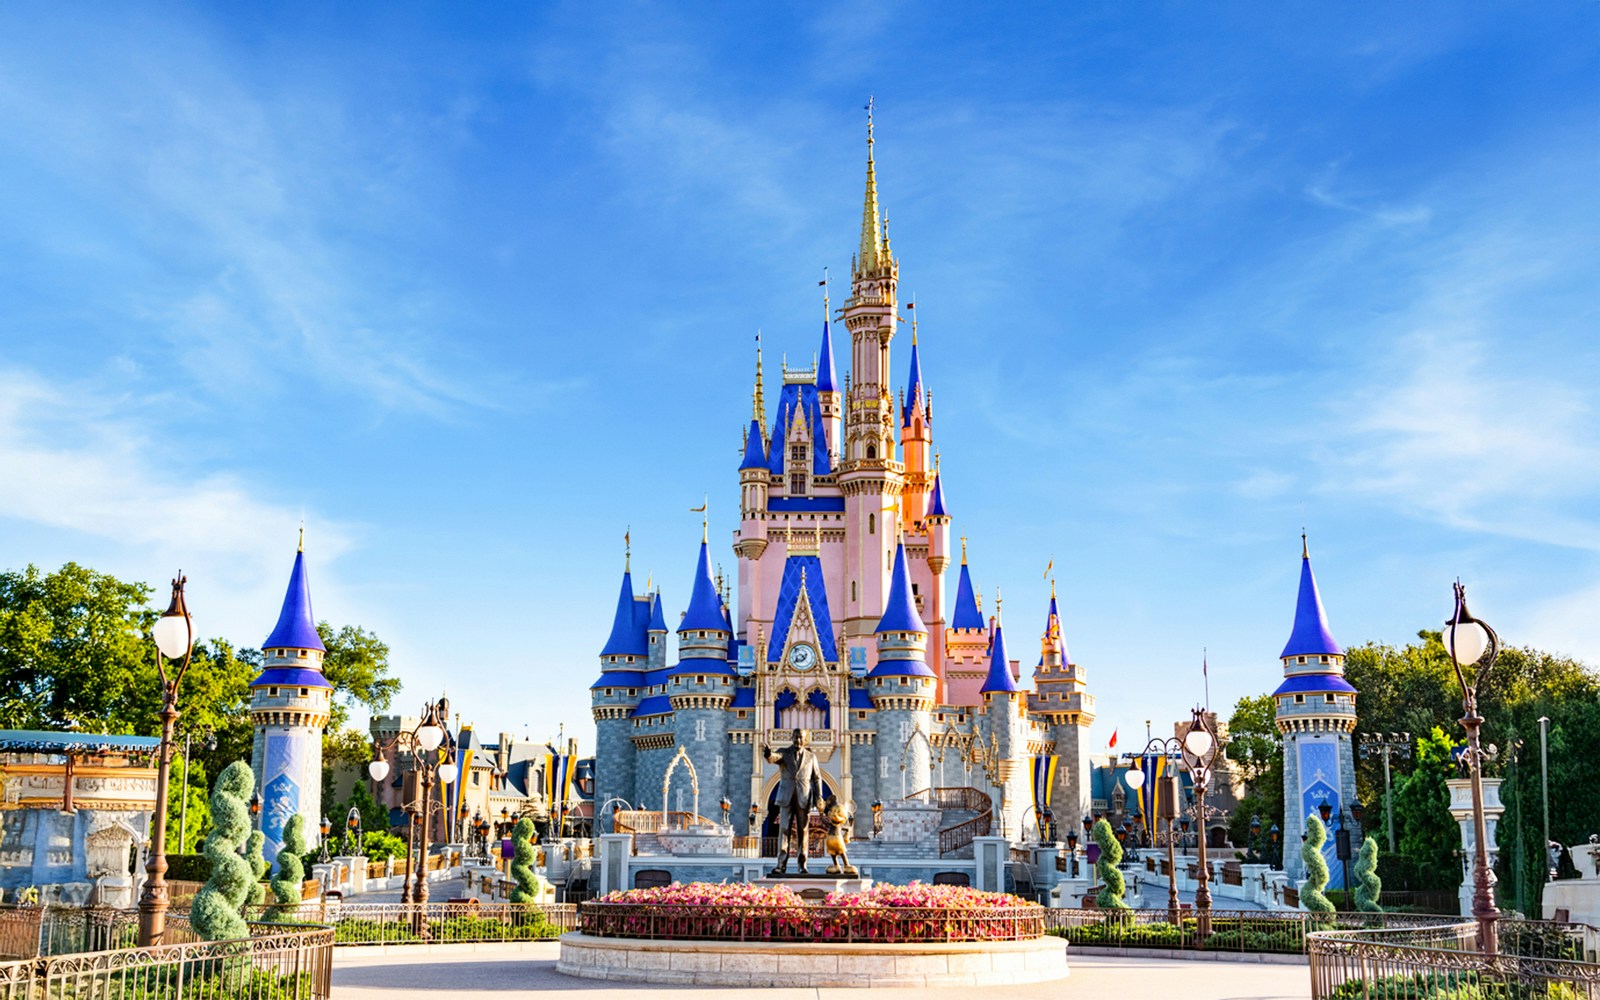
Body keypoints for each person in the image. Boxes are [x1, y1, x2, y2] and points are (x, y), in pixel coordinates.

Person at [762, 728, 822, 875]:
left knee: (803, 831)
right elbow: (773, 758)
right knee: (784, 830)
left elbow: (817, 778)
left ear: (805, 739)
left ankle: (802, 865)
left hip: (804, 798)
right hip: (786, 797)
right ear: (792, 738)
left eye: (801, 738)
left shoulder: (811, 757)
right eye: (796, 737)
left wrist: (819, 796)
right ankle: (781, 864)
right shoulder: (784, 752)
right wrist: (768, 753)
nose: (798, 740)